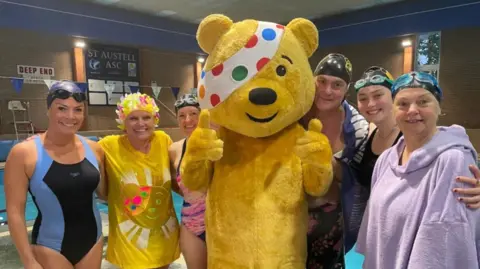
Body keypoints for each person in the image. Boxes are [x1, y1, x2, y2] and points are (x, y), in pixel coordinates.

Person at [357, 71, 480, 268]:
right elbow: (375, 233)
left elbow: (443, 245)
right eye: (403, 104)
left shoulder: (452, 159)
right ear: (394, 110)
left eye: (423, 102)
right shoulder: (386, 160)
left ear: (439, 107)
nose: (412, 110)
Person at [5, 80, 107, 269]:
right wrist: (28, 260)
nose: (71, 116)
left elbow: (105, 193)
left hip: (93, 241)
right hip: (50, 246)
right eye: (62, 108)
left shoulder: (95, 149)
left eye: (78, 109)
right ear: (48, 110)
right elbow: (15, 212)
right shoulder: (24, 153)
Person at [301, 53, 369, 269]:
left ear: (346, 90)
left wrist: (325, 160)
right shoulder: (294, 112)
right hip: (287, 213)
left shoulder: (358, 128)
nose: (327, 90)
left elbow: (358, 178)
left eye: (337, 84)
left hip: (330, 219)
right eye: (321, 81)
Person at [99, 92, 180, 269]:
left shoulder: (163, 140)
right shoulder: (109, 145)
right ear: (123, 121)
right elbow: (77, 148)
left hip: (163, 234)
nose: (141, 123)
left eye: (146, 117)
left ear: (155, 119)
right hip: (129, 239)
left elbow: (176, 178)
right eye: (133, 118)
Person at [168, 93, 207, 269]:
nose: (187, 120)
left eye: (193, 114)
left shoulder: (219, 144)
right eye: (181, 116)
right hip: (190, 223)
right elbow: (173, 182)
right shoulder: (175, 149)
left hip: (218, 221)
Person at [355, 66, 402, 190]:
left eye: (377, 95)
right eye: (363, 98)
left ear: (394, 96)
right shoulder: (370, 134)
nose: (370, 104)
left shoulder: (410, 137)